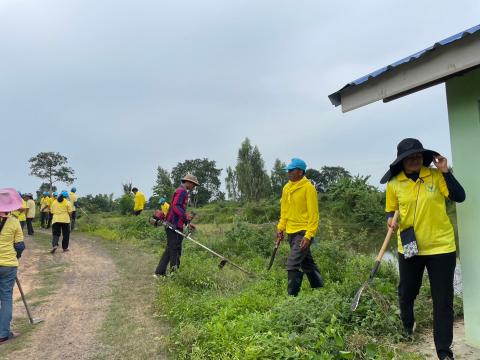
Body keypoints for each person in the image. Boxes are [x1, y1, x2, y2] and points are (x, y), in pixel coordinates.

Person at [381, 138, 465, 360]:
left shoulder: (436, 176)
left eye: (418, 155)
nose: (415, 159)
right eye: (410, 157)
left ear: (423, 157)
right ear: (402, 161)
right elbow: (391, 211)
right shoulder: (394, 184)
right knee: (407, 291)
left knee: (443, 300)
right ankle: (408, 327)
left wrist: (446, 171)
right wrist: (391, 220)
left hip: (441, 246)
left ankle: (444, 351)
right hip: (409, 245)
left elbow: (460, 196)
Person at [276, 158, 323, 296]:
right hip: (291, 231)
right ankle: (319, 289)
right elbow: (284, 211)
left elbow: (314, 215)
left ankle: (292, 298)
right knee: (307, 263)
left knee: (292, 264)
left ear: (300, 172)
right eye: (288, 170)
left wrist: (309, 236)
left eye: (291, 170)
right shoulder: (286, 188)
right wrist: (280, 228)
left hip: (303, 232)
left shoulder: (308, 188)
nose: (288, 173)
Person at [154, 174, 199, 277]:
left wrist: (187, 222)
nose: (194, 187)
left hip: (174, 224)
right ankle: (174, 275)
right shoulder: (182, 191)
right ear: (189, 182)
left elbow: (179, 210)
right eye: (194, 185)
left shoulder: (180, 190)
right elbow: (175, 207)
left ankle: (159, 272)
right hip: (172, 225)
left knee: (170, 248)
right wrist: (185, 218)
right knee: (175, 249)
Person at [0, 188, 25, 344]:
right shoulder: (14, 222)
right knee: (6, 298)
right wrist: (16, 257)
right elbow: (20, 246)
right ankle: (2, 334)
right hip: (8, 265)